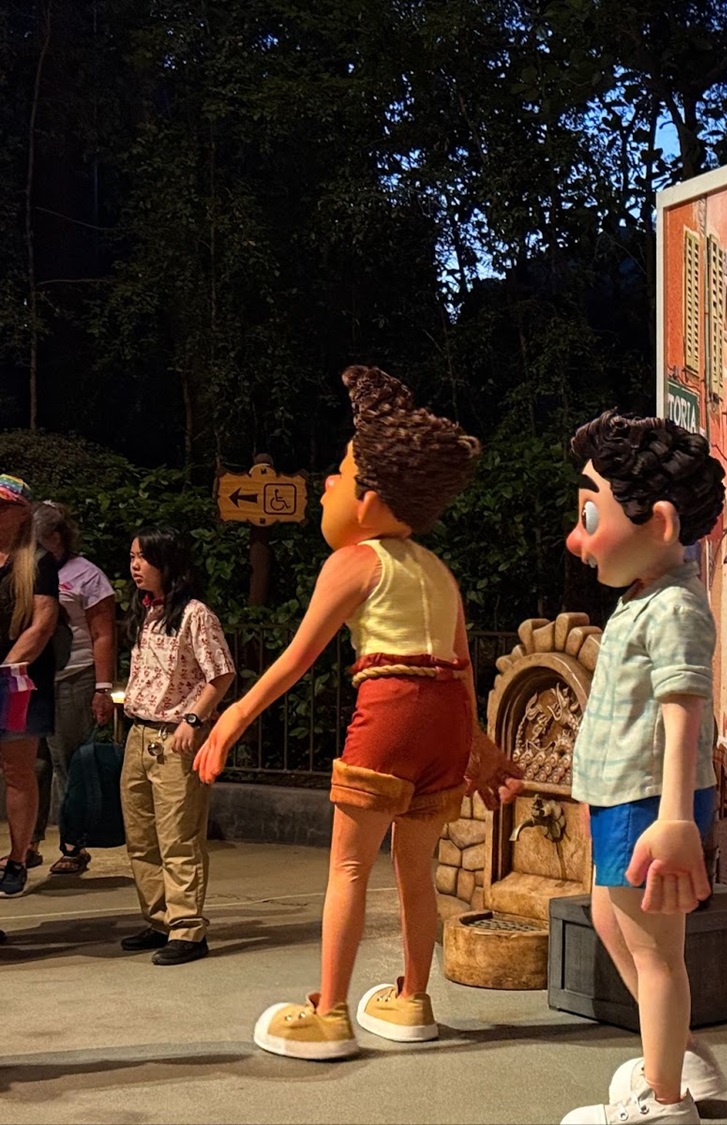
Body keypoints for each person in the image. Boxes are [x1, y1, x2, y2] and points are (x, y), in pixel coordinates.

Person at [196, 365, 523, 1060]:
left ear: (370, 499)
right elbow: (462, 668)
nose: (326, 485)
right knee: (415, 868)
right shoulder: (439, 571)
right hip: (445, 720)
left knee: (348, 865)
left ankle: (330, 1013)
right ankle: (413, 1000)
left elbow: (297, 657)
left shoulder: (355, 561)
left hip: (392, 708)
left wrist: (234, 716)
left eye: (340, 476)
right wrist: (478, 745)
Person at [560, 410, 727, 1125]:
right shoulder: (643, 600)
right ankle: (680, 1056)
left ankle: (663, 1102)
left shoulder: (675, 609)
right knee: (613, 919)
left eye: (590, 515)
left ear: (659, 523)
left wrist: (673, 818)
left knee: (657, 953)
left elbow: (682, 712)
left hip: (650, 804)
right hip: (625, 801)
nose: (577, 539)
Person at [119, 527, 234, 965]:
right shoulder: (147, 611)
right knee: (141, 836)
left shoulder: (195, 614)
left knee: (178, 837)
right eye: (132, 557)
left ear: (167, 563)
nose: (135, 566)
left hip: (176, 736)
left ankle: (187, 929)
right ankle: (159, 920)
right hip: (140, 732)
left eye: (144, 558)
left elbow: (221, 673)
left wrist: (193, 718)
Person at [32, 500, 117, 875]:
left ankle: (73, 844)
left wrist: (102, 687)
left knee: (67, 762)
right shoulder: (27, 569)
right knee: (32, 764)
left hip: (73, 676)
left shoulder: (87, 575)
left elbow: (103, 634)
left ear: (56, 537)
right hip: (31, 680)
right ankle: (28, 843)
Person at [0, 474, 62, 897]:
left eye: (3, 506)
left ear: (22, 513)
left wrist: (5, 670)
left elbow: (41, 625)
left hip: (18, 679)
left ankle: (18, 857)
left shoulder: (38, 562)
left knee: (18, 769)